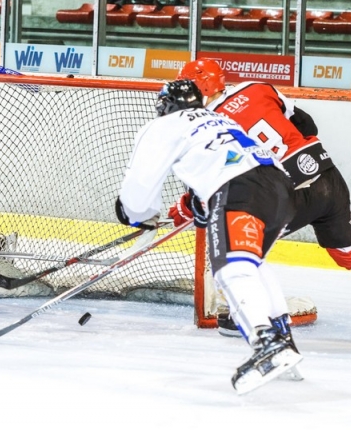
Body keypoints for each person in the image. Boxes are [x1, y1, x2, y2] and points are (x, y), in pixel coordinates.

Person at [175, 59, 351, 345]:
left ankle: (248, 317)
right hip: (325, 175)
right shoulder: (257, 87)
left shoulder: (207, 125)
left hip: (284, 191)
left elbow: (211, 188)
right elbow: (306, 124)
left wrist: (184, 208)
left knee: (243, 249)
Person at [115, 80, 301, 394]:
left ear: (165, 105)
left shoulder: (163, 126)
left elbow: (140, 189)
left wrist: (134, 215)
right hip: (281, 190)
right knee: (251, 264)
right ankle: (282, 339)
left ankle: (268, 344)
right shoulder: (219, 118)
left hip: (239, 190)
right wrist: (201, 201)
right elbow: (224, 156)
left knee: (231, 269)